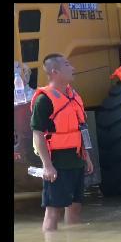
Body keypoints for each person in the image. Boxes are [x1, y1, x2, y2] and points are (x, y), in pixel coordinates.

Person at [29, 53, 93, 231]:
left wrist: (86, 155)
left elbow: (82, 128)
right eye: (67, 65)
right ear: (54, 72)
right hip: (57, 163)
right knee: (53, 211)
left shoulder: (74, 96)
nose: (72, 68)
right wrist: (47, 165)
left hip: (76, 160)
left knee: (75, 208)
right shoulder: (44, 100)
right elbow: (38, 133)